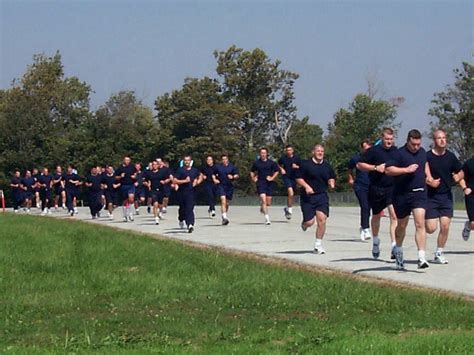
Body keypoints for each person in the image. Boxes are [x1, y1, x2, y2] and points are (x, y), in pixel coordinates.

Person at [386, 129, 429, 270]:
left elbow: (425, 165)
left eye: (418, 144)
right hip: (402, 194)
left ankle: (421, 257)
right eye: (413, 144)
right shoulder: (399, 153)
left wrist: (429, 178)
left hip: (419, 193)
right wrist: (406, 170)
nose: (416, 147)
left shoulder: (423, 152)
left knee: (419, 223)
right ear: (408, 141)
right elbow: (388, 170)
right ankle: (398, 249)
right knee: (402, 225)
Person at [357, 127, 398, 259]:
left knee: (394, 216)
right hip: (376, 188)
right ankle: (375, 241)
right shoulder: (373, 151)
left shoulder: (396, 151)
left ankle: (394, 246)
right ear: (382, 138)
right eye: (387, 139)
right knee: (376, 217)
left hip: (392, 188)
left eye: (391, 139)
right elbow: (359, 165)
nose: (389, 142)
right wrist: (375, 168)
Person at [424, 129, 463, 264]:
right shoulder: (427, 156)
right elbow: (420, 174)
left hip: (446, 196)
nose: (442, 140)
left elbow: (461, 170)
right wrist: (429, 181)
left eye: (444, 138)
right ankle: (422, 225)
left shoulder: (451, 157)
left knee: (445, 226)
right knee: (430, 228)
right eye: (439, 138)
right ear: (434, 140)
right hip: (431, 196)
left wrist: (458, 177)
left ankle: (439, 252)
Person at [295, 144, 336, 254]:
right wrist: (307, 186)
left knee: (322, 220)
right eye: (318, 151)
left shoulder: (327, 166)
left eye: (322, 151)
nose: (320, 153)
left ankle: (318, 245)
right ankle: (304, 224)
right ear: (313, 152)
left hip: (321, 196)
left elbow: (332, 176)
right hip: (307, 197)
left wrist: (331, 182)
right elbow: (298, 178)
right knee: (309, 222)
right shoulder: (306, 164)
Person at [348, 139, 372, 241]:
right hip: (360, 185)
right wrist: (350, 178)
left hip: (371, 185)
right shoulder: (356, 158)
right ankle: (366, 228)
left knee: (369, 207)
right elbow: (349, 168)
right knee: (365, 206)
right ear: (362, 148)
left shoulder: (374, 158)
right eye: (365, 149)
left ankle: (363, 226)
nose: (367, 151)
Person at [250, 147, 279, 225]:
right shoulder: (256, 163)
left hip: (269, 183)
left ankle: (262, 207)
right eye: (261, 153)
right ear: (260, 154)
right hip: (260, 183)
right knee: (263, 200)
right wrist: (253, 178)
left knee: (268, 202)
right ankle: (267, 218)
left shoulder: (271, 163)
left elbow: (277, 171)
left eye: (264, 153)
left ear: (267, 154)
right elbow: (252, 171)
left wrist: (272, 177)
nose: (263, 154)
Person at [173, 155, 202, 233]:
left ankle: (190, 224)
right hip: (182, 192)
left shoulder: (194, 170)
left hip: (191, 192)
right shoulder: (180, 170)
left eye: (188, 160)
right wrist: (184, 181)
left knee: (189, 208)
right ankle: (181, 219)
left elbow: (201, 176)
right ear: (183, 161)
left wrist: (197, 182)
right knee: (183, 208)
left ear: (190, 161)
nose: (187, 162)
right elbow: (175, 180)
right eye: (185, 160)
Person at [213, 154, 239, 225]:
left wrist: (233, 176)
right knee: (223, 200)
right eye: (223, 159)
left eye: (225, 159)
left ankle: (224, 215)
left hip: (229, 186)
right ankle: (224, 217)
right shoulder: (218, 167)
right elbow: (213, 174)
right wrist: (214, 179)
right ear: (221, 160)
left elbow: (237, 175)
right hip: (221, 185)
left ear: (228, 160)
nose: (224, 160)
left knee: (227, 203)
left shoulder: (232, 167)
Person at [278, 145, 302, 220]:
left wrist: (297, 167)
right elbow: (277, 164)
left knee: (291, 195)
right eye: (287, 150)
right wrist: (281, 169)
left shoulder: (297, 158)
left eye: (290, 150)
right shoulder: (283, 158)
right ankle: (290, 211)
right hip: (286, 177)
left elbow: (303, 167)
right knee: (290, 193)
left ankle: (287, 208)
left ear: (292, 151)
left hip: (294, 178)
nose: (288, 152)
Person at [144, 160, 172, 225]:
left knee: (160, 204)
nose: (154, 166)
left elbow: (169, 178)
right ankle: (156, 218)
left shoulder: (162, 172)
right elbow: (145, 180)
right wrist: (147, 184)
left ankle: (160, 211)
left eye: (156, 164)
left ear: (158, 165)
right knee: (155, 203)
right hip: (153, 190)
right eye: (153, 164)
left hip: (161, 189)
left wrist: (165, 182)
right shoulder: (149, 173)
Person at [115, 156, 137, 222]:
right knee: (125, 201)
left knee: (131, 198)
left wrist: (134, 177)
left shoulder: (132, 167)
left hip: (131, 185)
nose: (127, 162)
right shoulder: (120, 168)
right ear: (123, 161)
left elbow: (136, 174)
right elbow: (115, 177)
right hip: (123, 185)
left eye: (128, 160)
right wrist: (120, 176)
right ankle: (125, 215)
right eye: (126, 160)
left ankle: (130, 214)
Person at [460, 157, 474, 241]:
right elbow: (460, 177)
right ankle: (468, 226)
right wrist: (465, 188)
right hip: (471, 196)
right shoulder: (469, 163)